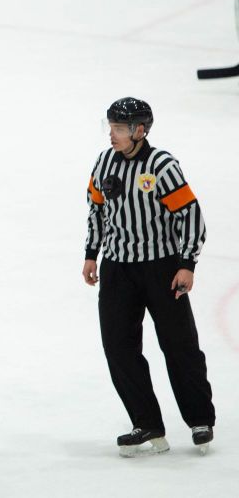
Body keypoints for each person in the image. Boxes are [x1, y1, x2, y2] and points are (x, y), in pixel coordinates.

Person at [82, 97, 215, 457]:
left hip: (162, 269)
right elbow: (96, 209)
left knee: (179, 344)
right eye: (110, 127)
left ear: (139, 130)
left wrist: (187, 264)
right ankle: (147, 423)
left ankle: (200, 419)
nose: (112, 134)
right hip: (118, 269)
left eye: (119, 128)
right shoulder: (104, 162)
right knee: (118, 347)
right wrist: (92, 254)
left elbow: (190, 216)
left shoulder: (162, 166)